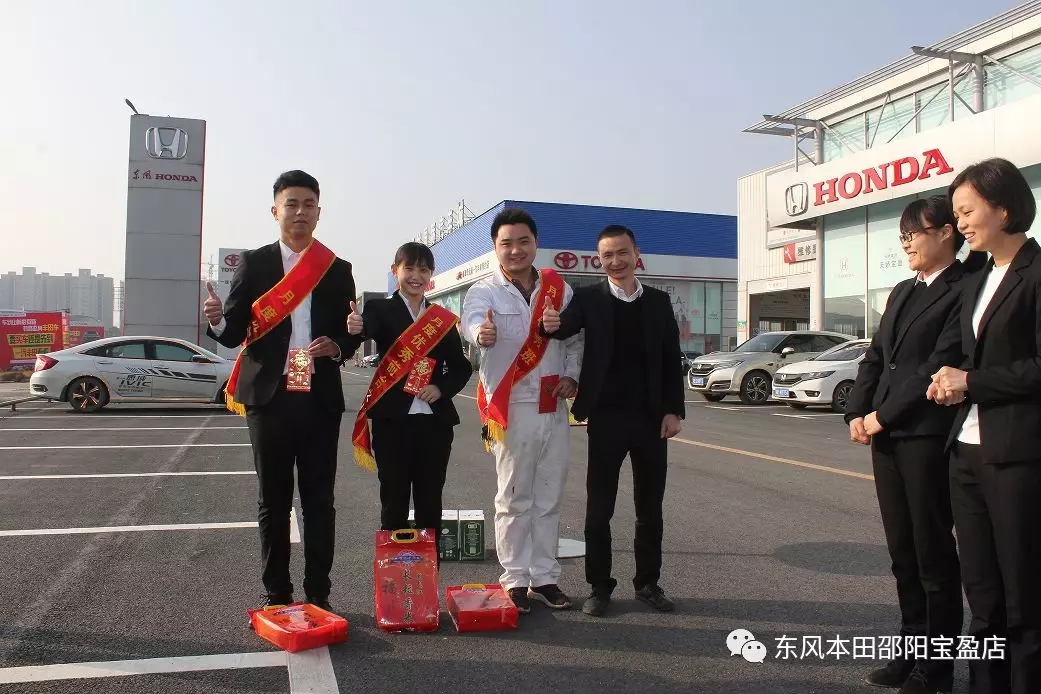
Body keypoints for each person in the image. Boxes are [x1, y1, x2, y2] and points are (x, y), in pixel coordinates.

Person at [845, 195, 985, 694]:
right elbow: (875, 357)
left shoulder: (964, 287)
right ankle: (910, 651)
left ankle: (938, 668)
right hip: (886, 438)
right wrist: (856, 412)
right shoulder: (903, 290)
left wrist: (881, 416)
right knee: (902, 553)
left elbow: (936, 365)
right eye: (902, 235)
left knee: (933, 555)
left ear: (946, 232)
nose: (906, 242)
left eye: (914, 233)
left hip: (925, 437)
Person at [204, 170, 356, 614]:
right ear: (275, 211)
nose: (300, 212)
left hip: (318, 396)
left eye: (309, 204)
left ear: (319, 212)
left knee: (319, 501)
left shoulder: (337, 269)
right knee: (272, 500)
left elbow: (349, 333)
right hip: (269, 398)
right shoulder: (255, 263)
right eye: (292, 204)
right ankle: (277, 593)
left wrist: (340, 345)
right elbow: (234, 332)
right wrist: (217, 318)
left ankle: (319, 592)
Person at [929, 158, 1040, 694]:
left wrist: (972, 381)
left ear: (1004, 208)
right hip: (966, 450)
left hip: (1017, 454)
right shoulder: (979, 278)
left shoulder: (1035, 273)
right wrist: (948, 381)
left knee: (1023, 593)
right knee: (982, 593)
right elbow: (969, 356)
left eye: (968, 211)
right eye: (956, 214)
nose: (962, 224)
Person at [541, 224, 684, 617]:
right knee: (598, 509)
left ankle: (648, 584)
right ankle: (599, 587)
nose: (616, 261)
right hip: (606, 418)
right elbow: (562, 328)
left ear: (637, 255)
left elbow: (671, 358)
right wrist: (547, 322)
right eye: (607, 255)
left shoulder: (658, 301)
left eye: (622, 253)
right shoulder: (589, 299)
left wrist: (674, 410)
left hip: (652, 420)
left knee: (649, 508)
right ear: (599, 260)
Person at [460, 208, 583, 614]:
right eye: (506, 243)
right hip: (511, 408)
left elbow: (575, 339)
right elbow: (471, 322)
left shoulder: (558, 289)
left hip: (554, 406)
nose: (516, 250)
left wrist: (572, 375)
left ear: (535, 243)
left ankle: (545, 577)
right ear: (495, 248)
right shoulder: (484, 291)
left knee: (549, 495)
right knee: (514, 497)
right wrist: (481, 333)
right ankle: (514, 579)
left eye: (523, 241)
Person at [345, 242, 473, 549]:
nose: (416, 276)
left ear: (431, 275)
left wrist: (441, 388)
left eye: (423, 270)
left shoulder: (441, 319)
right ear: (395, 271)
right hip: (393, 423)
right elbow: (367, 327)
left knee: (431, 501)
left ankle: (427, 574)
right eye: (409, 268)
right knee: (394, 500)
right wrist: (358, 326)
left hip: (435, 424)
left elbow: (461, 367)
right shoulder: (380, 309)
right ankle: (395, 573)